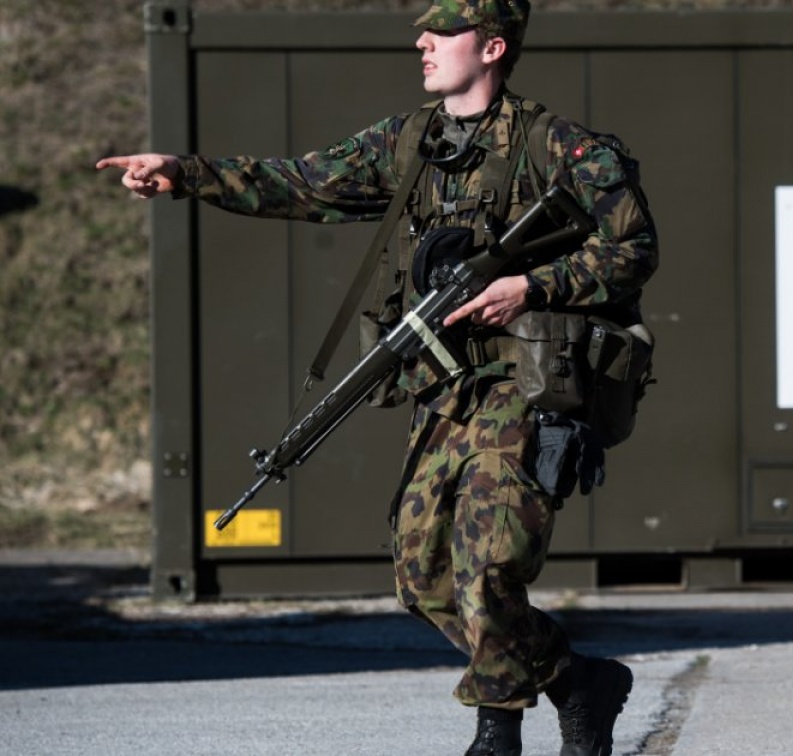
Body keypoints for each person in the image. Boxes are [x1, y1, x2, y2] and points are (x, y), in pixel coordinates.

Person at [97, 1, 657, 754]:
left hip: (525, 386)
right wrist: (185, 174)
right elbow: (303, 183)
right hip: (444, 387)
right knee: (422, 577)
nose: (422, 41)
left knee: (488, 565)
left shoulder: (557, 146)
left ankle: (497, 733)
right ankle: (577, 681)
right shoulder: (410, 142)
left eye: (444, 31)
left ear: (493, 47)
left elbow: (633, 247)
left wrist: (530, 286)